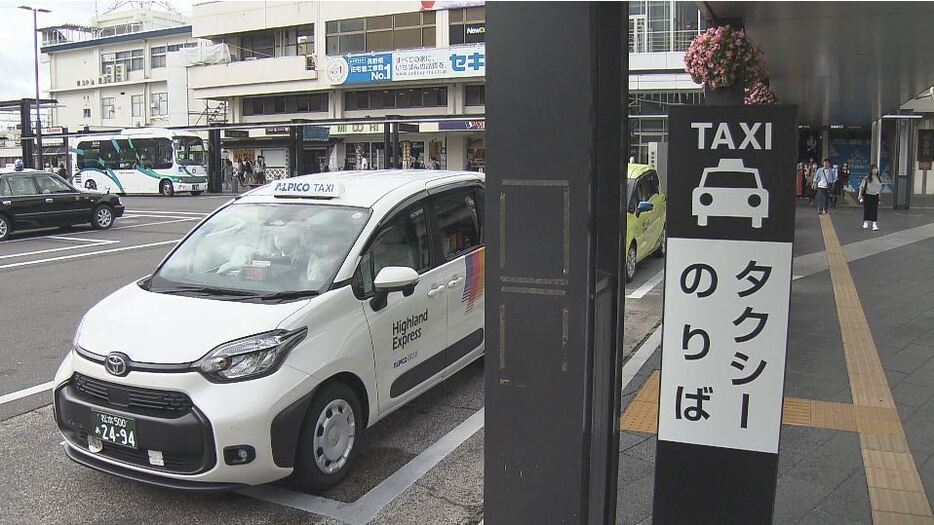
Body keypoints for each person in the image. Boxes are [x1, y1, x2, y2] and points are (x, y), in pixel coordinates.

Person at [859, 164, 882, 231]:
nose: (875, 170)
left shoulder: (879, 178)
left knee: (874, 210)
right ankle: (865, 222)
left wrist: (879, 197)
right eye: (873, 169)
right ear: (871, 170)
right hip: (867, 195)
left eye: (876, 169)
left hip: (875, 196)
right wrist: (860, 195)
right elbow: (861, 187)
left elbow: (879, 188)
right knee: (867, 209)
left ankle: (874, 224)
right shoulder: (867, 178)